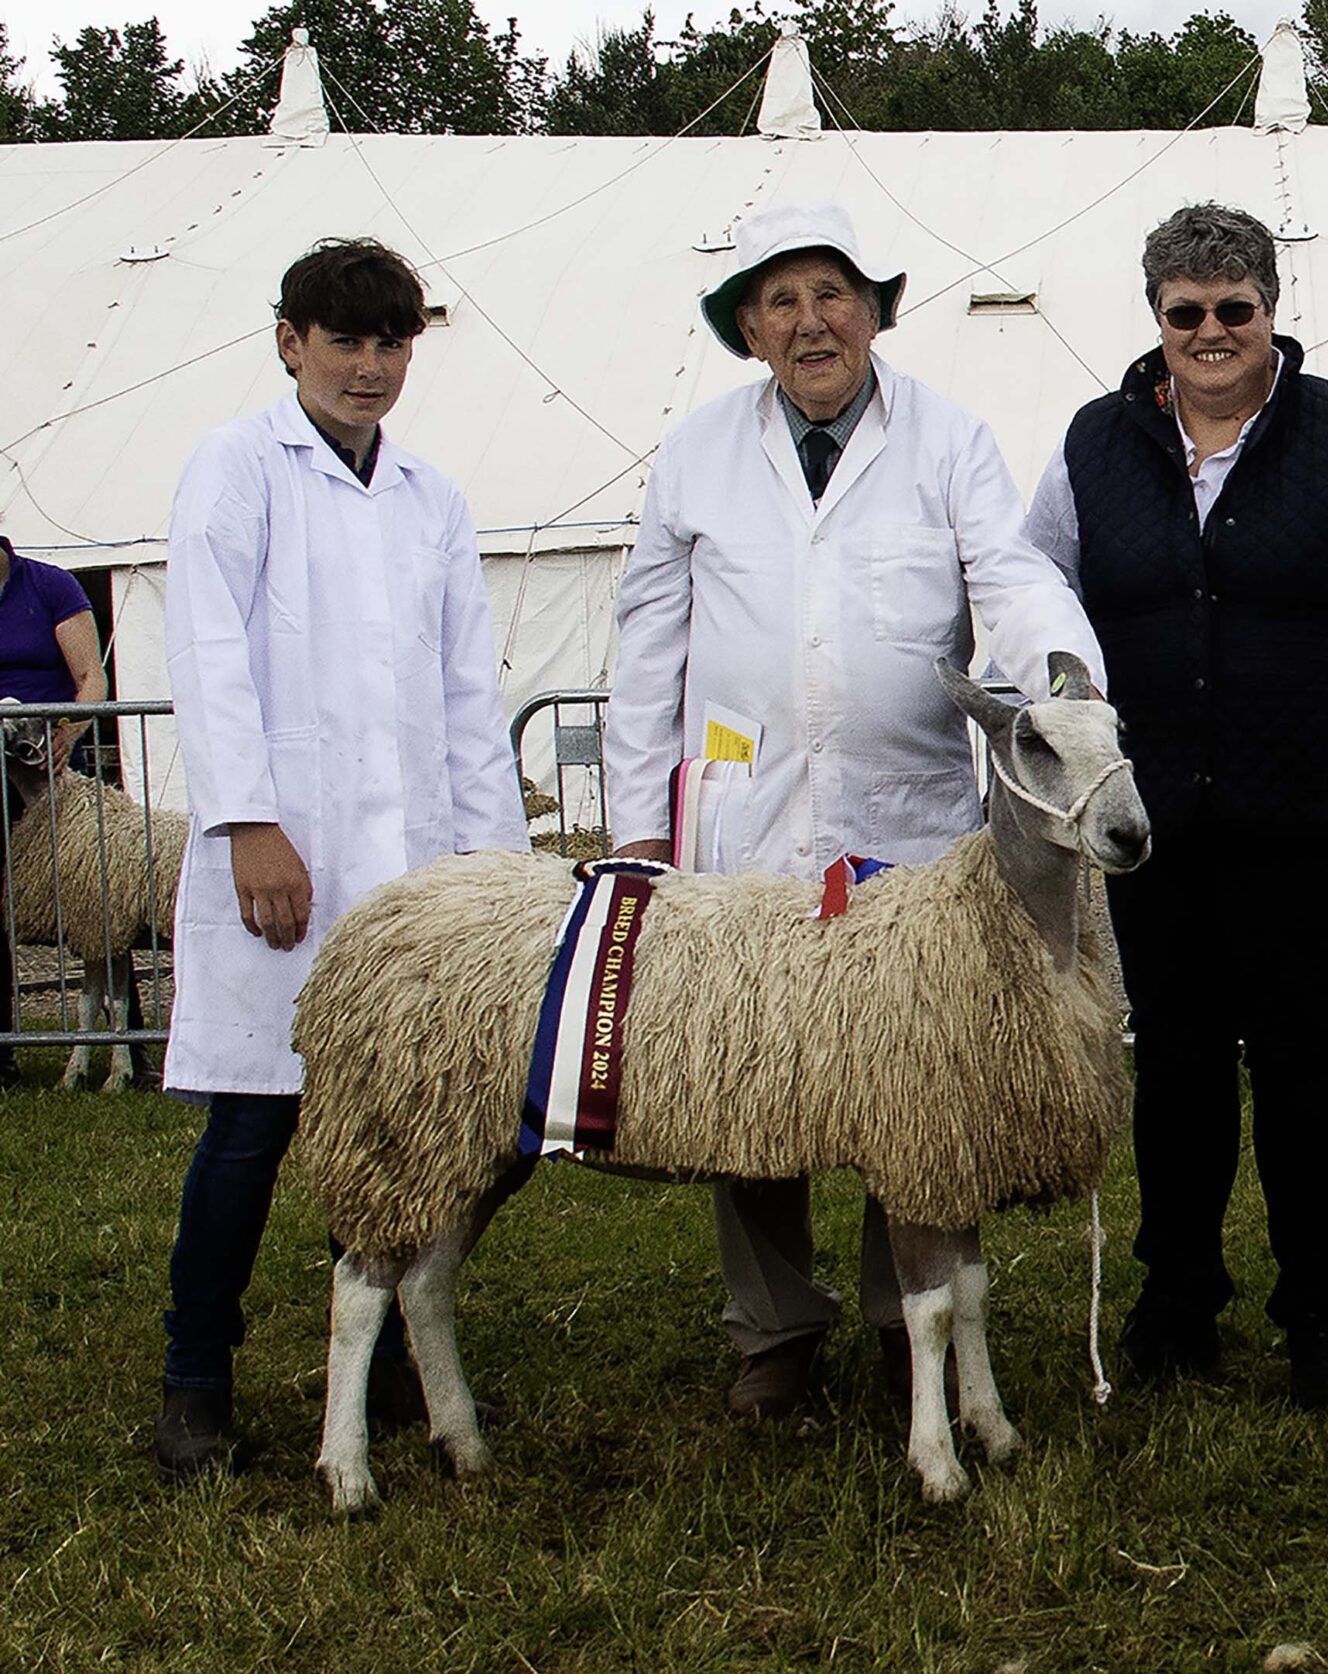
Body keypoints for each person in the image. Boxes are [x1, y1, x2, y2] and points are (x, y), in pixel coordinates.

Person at [604, 202, 1107, 1424]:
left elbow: (1009, 570)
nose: (810, 322)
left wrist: (1063, 684)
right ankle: (771, 1330)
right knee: (748, 1075)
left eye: (832, 294)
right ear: (748, 329)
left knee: (915, 1077)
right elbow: (644, 639)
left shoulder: (947, 440)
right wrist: (633, 823)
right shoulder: (697, 454)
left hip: (909, 823)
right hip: (745, 827)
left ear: (875, 310)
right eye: (779, 301)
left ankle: (904, 1320)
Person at [1024, 203, 1328, 1408]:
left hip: (1300, 823)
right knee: (1179, 1070)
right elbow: (1037, 573)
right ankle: (1177, 1305)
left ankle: (1319, 1319)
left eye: (1233, 311)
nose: (1210, 334)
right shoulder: (1094, 442)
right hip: (1154, 821)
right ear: (1156, 320)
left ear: (1272, 309)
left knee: (1308, 1070)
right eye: (1184, 314)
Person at [154, 239, 529, 1476]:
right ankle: (196, 1377)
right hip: (285, 864)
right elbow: (206, 654)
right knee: (256, 1126)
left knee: (411, 1134)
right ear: (289, 342)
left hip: (410, 885)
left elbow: (470, 695)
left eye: (391, 343)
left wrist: (496, 873)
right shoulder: (236, 470)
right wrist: (249, 825)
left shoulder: (431, 497)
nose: (368, 367)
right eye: (345, 340)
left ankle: (376, 1373)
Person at [0, 535, 108, 1086]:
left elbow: (92, 676)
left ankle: (122, 1042)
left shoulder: (48, 586)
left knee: (100, 897)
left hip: (52, 757)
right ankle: (4, 1055)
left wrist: (70, 730)